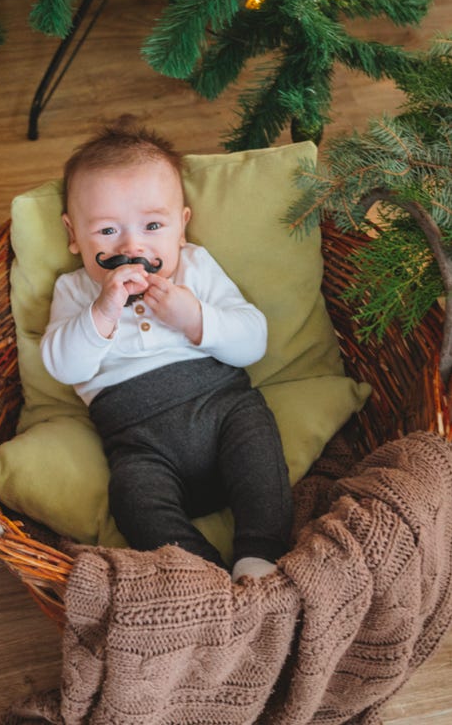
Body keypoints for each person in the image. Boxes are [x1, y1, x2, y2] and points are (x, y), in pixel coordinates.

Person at [40, 118, 293, 581]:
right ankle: (200, 574)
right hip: (138, 439)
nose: (132, 246)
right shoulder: (75, 291)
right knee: (131, 499)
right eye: (107, 232)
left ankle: (259, 554)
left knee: (258, 444)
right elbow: (61, 364)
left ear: (182, 228)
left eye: (153, 225)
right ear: (73, 235)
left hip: (221, 407)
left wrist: (197, 319)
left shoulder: (196, 268)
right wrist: (102, 312)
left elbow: (253, 340)